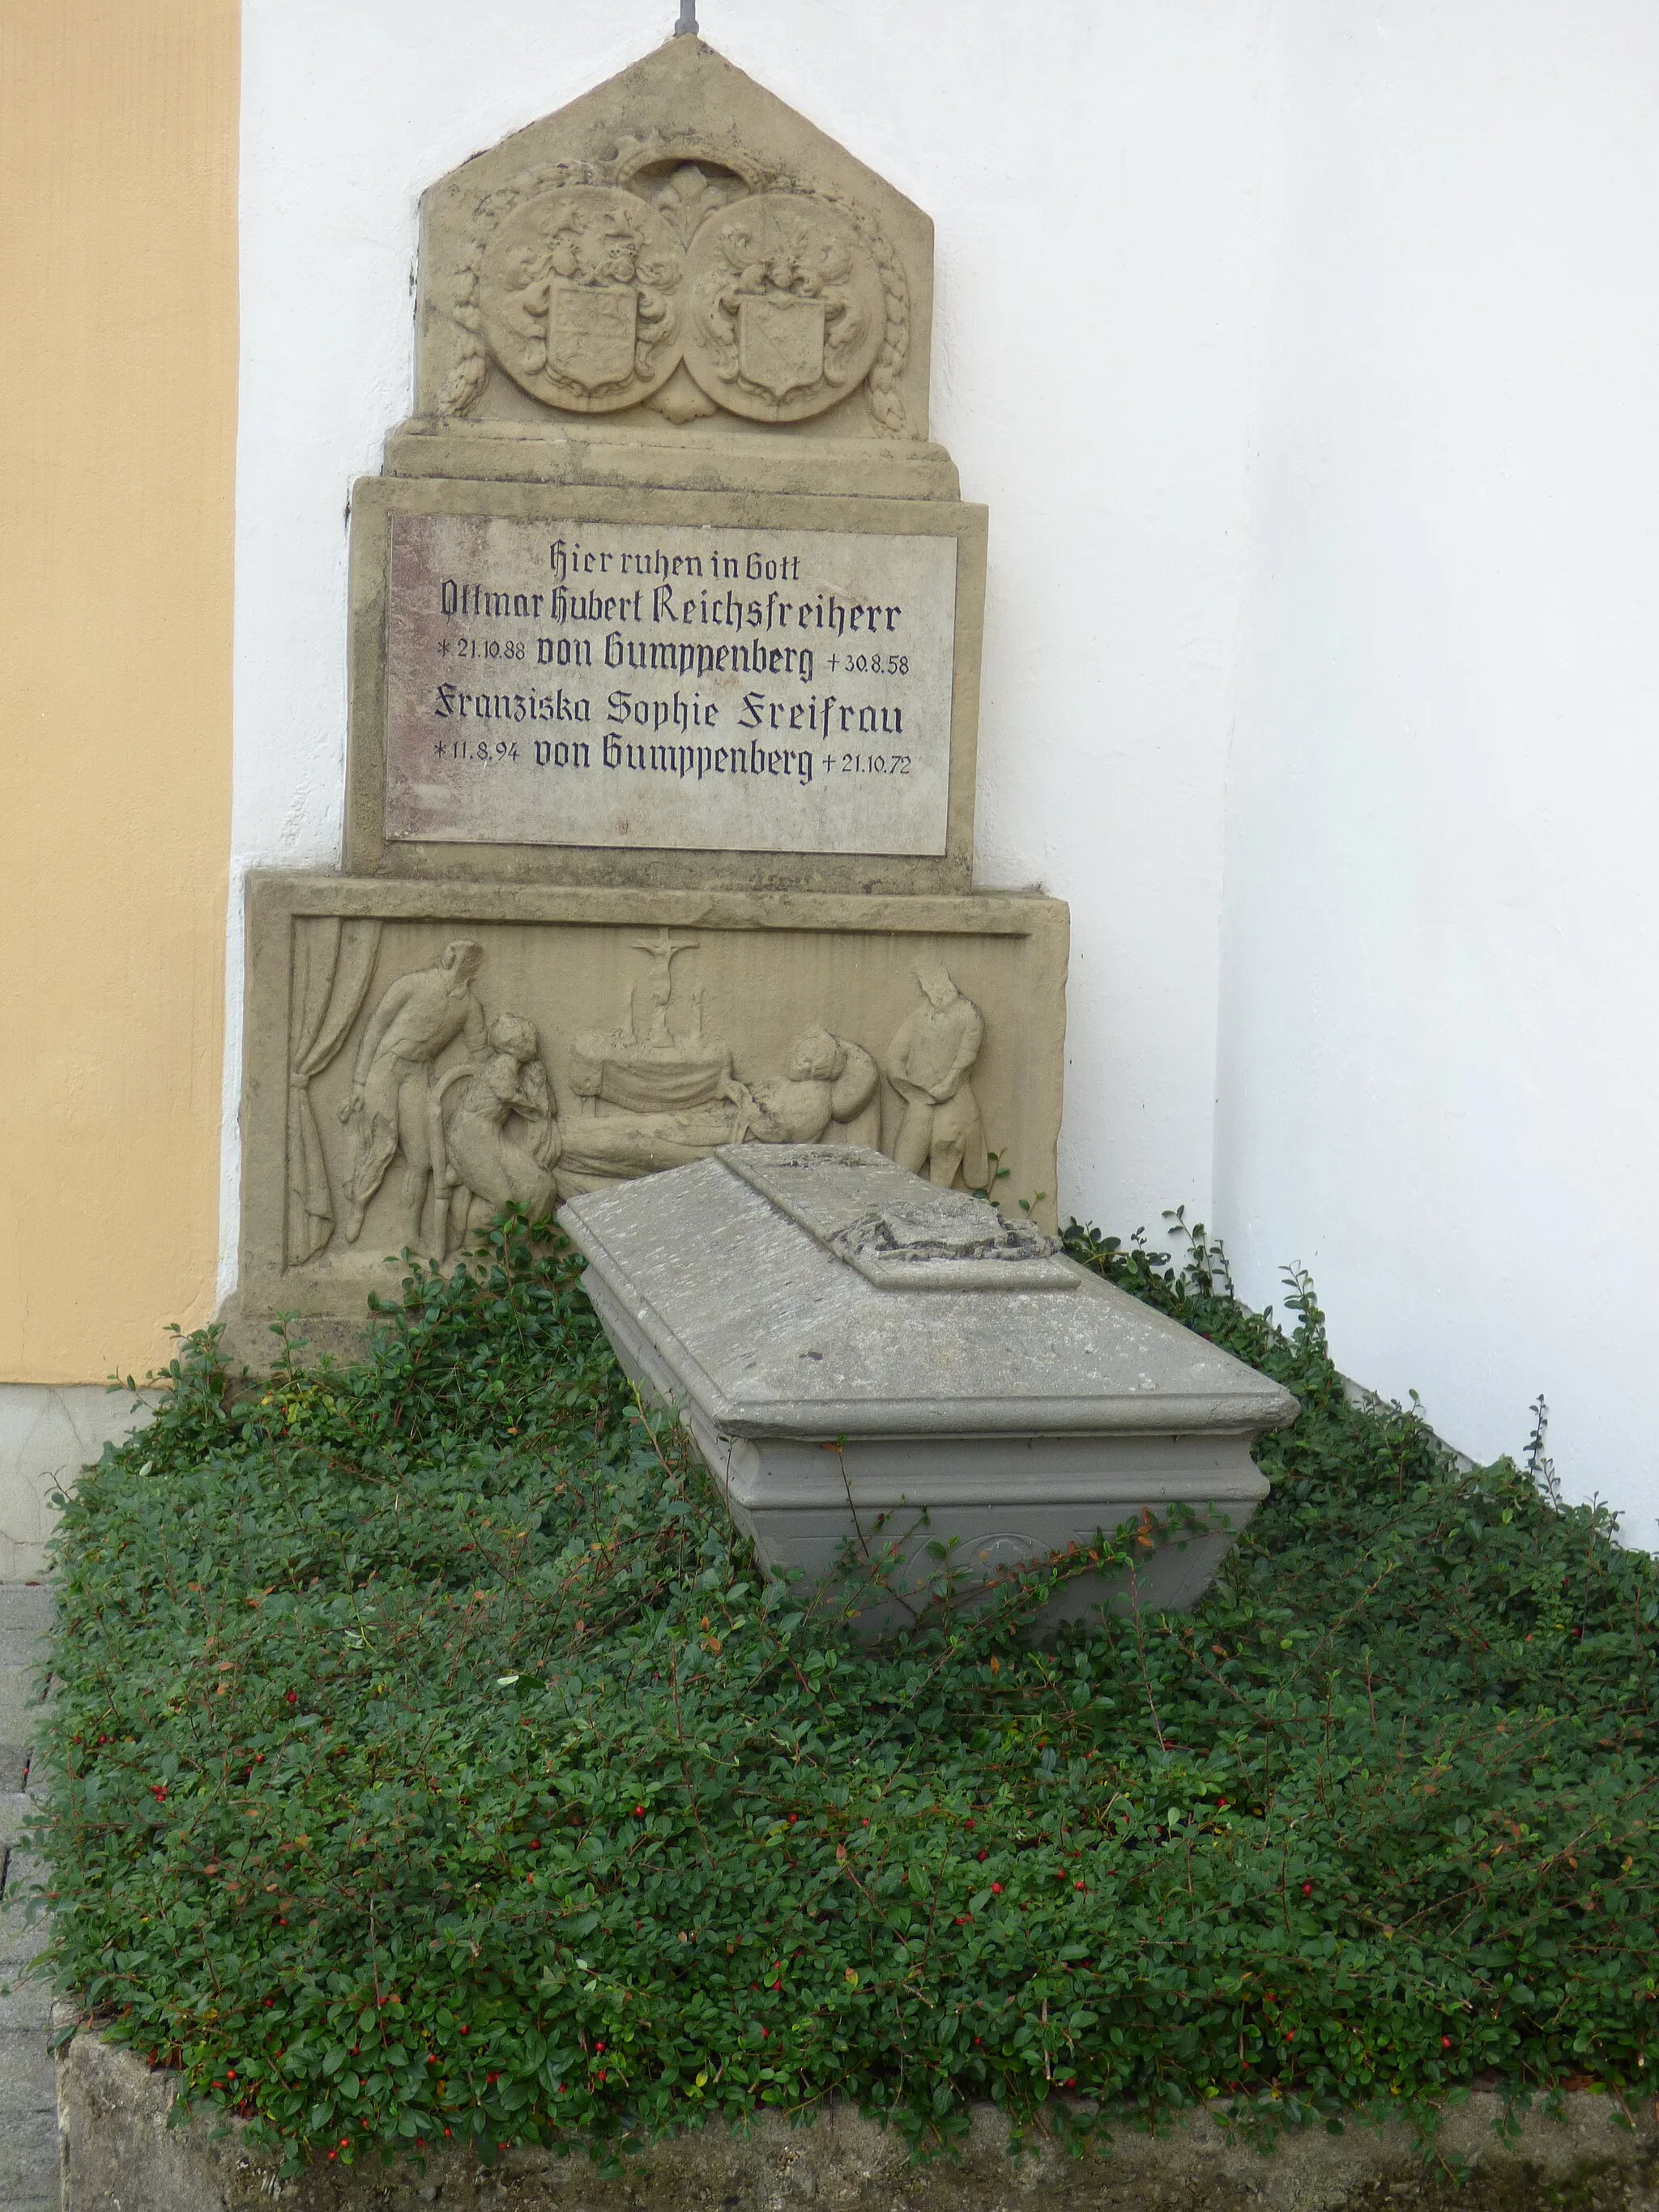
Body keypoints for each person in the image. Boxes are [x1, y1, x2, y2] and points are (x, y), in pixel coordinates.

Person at [337, 940, 486, 1247]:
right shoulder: (413, 984)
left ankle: (411, 1237)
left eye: (470, 961)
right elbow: (376, 1026)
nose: (464, 965)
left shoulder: (470, 1007)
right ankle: (358, 1207)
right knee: (383, 1143)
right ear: (449, 959)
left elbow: (480, 1053)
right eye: (461, 958)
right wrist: (359, 1083)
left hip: (418, 1074)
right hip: (386, 1067)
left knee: (422, 1159)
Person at [434, 1012, 559, 1251]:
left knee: (541, 1184)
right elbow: (528, 1106)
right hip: (469, 1139)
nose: (533, 1043)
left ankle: (520, 1251)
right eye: (527, 1037)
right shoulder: (501, 1070)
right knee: (504, 1200)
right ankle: (476, 1247)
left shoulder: (509, 1070)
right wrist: (539, 1103)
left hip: (490, 1138)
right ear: (515, 1046)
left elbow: (539, 1107)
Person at [883, 963, 988, 1190]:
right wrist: (911, 1089)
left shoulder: (969, 1014)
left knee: (942, 1174)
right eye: (925, 983)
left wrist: (943, 1089)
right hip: (919, 1103)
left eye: (933, 981)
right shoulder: (919, 1016)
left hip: (954, 1106)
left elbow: (964, 1062)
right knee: (902, 1172)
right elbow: (894, 1057)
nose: (930, 988)